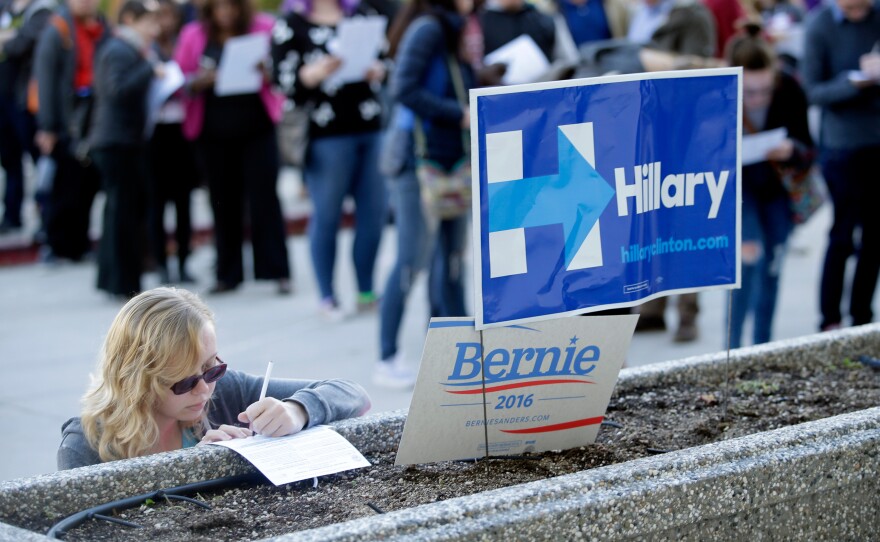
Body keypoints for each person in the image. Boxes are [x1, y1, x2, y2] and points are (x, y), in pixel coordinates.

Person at [57, 286, 371, 469]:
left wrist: (296, 410)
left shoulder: (226, 392)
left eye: (212, 368)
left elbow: (354, 394)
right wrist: (193, 472)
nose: (204, 390)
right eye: (182, 381)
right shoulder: (87, 447)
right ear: (139, 380)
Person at [377, 0, 475, 388]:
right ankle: (386, 356)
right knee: (411, 258)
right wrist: (457, 113)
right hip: (418, 161)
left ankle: (452, 352)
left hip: (451, 161)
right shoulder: (429, 27)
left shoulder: (453, 27)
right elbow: (404, 89)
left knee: (450, 262)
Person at [271, 0, 388, 320]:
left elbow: (388, 62)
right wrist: (314, 73)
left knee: (374, 213)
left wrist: (377, 70)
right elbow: (282, 82)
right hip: (326, 133)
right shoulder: (292, 24)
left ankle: (366, 290)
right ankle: (328, 296)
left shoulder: (363, 14)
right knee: (327, 214)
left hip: (370, 125)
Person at [175, 0, 292, 295]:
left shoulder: (265, 27)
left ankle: (276, 270)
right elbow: (180, 81)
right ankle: (228, 273)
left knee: (265, 197)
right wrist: (202, 80)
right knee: (222, 201)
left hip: (257, 127)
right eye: (219, 8)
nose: (226, 13)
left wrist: (267, 71)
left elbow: (283, 72)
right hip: (214, 131)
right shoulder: (193, 34)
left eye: (231, 7)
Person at [726, 25, 813, 348]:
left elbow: (809, 145)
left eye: (765, 90)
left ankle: (763, 347)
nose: (758, 98)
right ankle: (732, 349)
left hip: (778, 188)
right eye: (750, 92)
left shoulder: (788, 86)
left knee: (774, 267)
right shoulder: (719, 92)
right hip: (739, 190)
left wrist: (791, 150)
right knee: (747, 262)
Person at [803, 0, 880, 331]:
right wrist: (854, 83)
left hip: (877, 141)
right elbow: (813, 90)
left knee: (875, 237)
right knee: (842, 235)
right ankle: (829, 318)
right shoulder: (820, 25)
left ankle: (862, 315)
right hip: (841, 147)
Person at [89, 0, 163, 299]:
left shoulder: (130, 49)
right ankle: (122, 282)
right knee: (122, 214)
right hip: (116, 142)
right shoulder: (119, 49)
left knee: (120, 211)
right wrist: (148, 69)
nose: (154, 29)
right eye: (149, 22)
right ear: (130, 19)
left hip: (125, 141)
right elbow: (117, 91)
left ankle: (115, 279)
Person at [32, 0, 108, 262]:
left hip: (93, 118)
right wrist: (48, 125)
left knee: (86, 186)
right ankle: (56, 244)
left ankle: (79, 244)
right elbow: (46, 79)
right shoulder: (59, 28)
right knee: (63, 186)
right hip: (67, 120)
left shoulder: (102, 27)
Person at [149, 0, 198, 284]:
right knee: (157, 200)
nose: (164, 23)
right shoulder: (146, 48)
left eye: (168, 16)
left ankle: (183, 260)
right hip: (155, 131)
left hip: (182, 128)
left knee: (183, 199)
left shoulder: (184, 43)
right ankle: (160, 262)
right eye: (158, 17)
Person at [0, 0, 54, 233]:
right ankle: (12, 214)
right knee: (9, 159)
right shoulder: (6, 7)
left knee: (38, 160)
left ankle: (46, 218)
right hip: (4, 99)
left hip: (26, 99)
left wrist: (7, 38)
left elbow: (19, 46)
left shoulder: (42, 10)